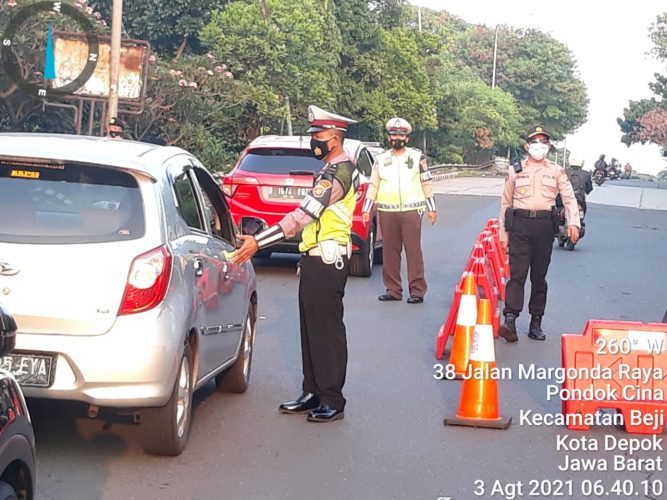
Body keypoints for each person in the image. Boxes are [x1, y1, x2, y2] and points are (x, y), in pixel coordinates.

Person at [230, 105, 358, 423]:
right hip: (315, 256)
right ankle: (312, 391)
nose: (315, 141)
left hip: (328, 259)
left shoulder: (338, 175)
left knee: (326, 331)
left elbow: (303, 216)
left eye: (319, 135)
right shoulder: (329, 170)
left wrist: (258, 242)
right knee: (310, 328)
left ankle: (332, 398)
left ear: (335, 138)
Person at [498, 125, 580, 342]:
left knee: (539, 276)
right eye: (535, 141)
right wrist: (503, 234)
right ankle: (510, 320)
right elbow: (505, 203)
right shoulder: (515, 169)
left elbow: (569, 198)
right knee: (517, 274)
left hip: (544, 226)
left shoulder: (556, 171)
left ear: (549, 146)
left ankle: (536, 322)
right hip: (520, 225)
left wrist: (573, 223)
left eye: (543, 142)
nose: (539, 145)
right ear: (527, 146)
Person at [361, 117, 437, 304]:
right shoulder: (381, 159)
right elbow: (373, 185)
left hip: (412, 210)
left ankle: (417, 291)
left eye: (401, 136)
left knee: (413, 251)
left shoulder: (417, 157)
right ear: (389, 138)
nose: (397, 139)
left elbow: (426, 183)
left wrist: (432, 208)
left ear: (407, 138)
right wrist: (366, 209)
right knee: (389, 252)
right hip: (387, 211)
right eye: (394, 135)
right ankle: (393, 290)